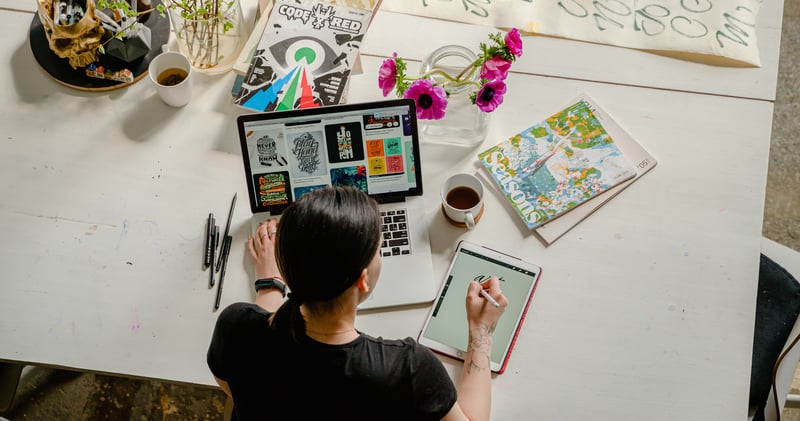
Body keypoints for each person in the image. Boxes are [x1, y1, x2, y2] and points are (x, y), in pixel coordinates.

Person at [207, 186, 508, 420]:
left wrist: (269, 283)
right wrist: (481, 332)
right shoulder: (407, 370)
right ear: (362, 280)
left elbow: (234, 385)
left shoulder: (235, 327)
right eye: (378, 250)